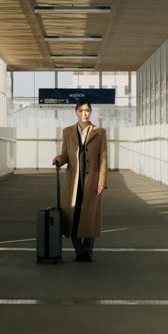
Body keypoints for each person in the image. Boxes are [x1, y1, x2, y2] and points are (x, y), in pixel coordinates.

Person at [52, 100, 108, 262]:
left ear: (91, 112)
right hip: (74, 181)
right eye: (81, 110)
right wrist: (59, 159)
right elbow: (66, 154)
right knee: (73, 216)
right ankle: (79, 251)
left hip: (92, 180)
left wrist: (102, 181)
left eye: (87, 110)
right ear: (76, 112)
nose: (84, 113)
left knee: (91, 216)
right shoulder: (67, 132)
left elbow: (103, 159)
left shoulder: (100, 132)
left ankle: (88, 251)